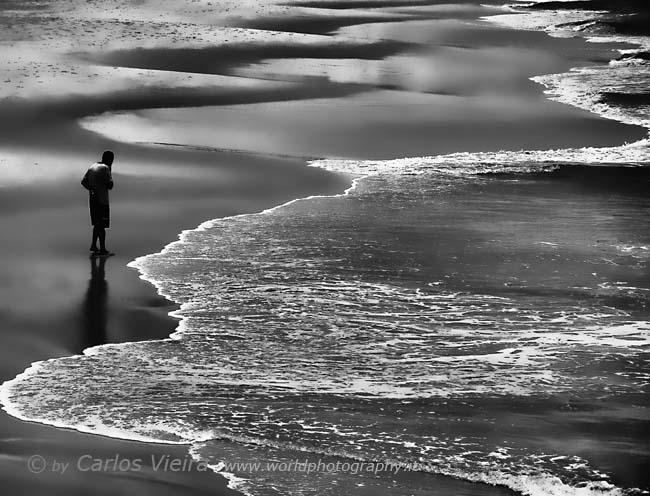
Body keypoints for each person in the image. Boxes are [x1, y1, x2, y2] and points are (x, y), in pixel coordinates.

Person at [81, 150, 114, 255]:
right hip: (102, 200)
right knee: (101, 225)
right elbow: (110, 186)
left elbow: (83, 182)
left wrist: (91, 189)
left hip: (93, 198)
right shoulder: (105, 169)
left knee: (97, 224)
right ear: (110, 160)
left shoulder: (93, 166)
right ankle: (103, 249)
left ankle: (94, 245)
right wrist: (110, 171)